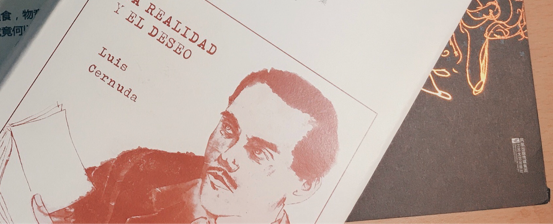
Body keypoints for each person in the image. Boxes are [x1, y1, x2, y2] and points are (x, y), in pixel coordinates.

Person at [31, 69, 339, 224]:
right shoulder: (135, 169)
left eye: (258, 152)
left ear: (303, 187)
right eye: (228, 129)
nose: (226, 155)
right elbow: (62, 209)